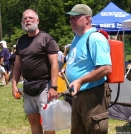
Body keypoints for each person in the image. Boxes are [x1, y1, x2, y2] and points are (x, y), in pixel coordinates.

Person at [59, 4, 112, 134]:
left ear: (87, 19)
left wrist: (79, 81)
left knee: (95, 131)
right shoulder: (77, 37)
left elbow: (106, 68)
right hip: (78, 96)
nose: (71, 21)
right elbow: (78, 62)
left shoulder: (95, 38)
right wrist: (67, 71)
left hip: (93, 95)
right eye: (70, 18)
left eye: (74, 18)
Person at [12, 9, 58, 134]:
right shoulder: (20, 41)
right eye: (25, 18)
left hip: (45, 86)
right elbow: (17, 65)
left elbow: (54, 64)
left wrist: (53, 86)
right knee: (33, 120)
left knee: (48, 122)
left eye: (30, 18)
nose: (27, 20)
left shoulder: (46, 38)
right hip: (28, 86)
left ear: (37, 20)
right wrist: (14, 84)